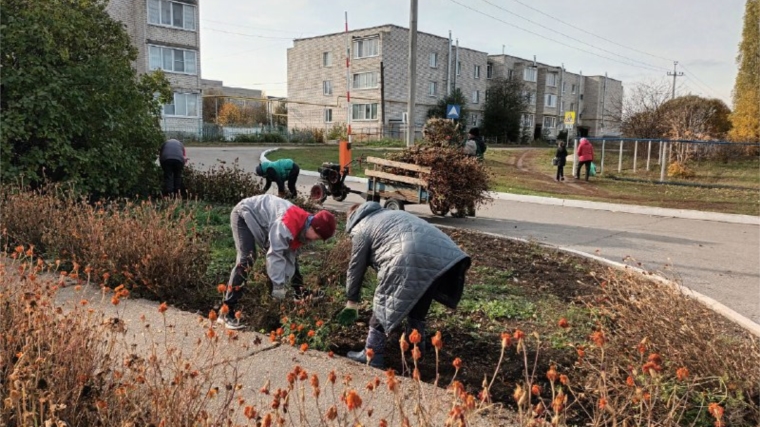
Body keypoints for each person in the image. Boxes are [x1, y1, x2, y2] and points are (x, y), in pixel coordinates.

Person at [338, 202, 471, 369]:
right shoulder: (390, 214)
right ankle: (416, 347)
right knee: (421, 295)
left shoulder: (361, 227)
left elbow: (355, 268)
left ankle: (372, 353)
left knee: (385, 301)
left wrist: (352, 299)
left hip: (404, 256)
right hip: (441, 254)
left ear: (351, 217)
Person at [220, 194, 336, 329]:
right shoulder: (288, 224)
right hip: (244, 214)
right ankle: (226, 311)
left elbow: (289, 257)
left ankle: (298, 292)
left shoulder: (304, 229)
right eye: (317, 236)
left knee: (288, 254)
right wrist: (278, 286)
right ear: (313, 227)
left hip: (264, 221)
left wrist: (283, 285)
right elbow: (275, 254)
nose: (315, 240)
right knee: (247, 258)